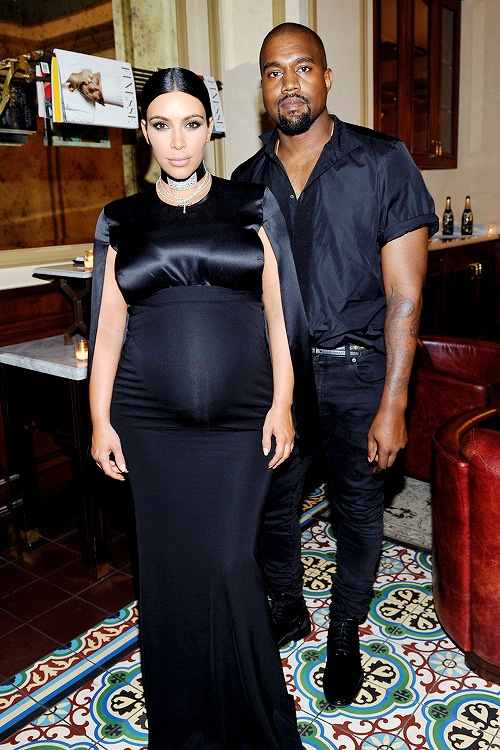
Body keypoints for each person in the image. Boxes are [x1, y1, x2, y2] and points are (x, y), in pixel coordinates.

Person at [89, 67, 313, 749]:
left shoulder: (253, 203)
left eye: (191, 124)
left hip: (241, 421)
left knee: (225, 563)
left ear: (211, 125)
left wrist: (283, 404)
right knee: (167, 574)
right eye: (162, 125)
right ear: (144, 130)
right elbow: (107, 329)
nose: (178, 142)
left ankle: (252, 719)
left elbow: (280, 315)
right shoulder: (120, 218)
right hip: (150, 426)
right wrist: (100, 419)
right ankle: (186, 726)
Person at [232, 23, 439, 708]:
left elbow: (405, 296)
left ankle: (344, 627)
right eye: (273, 72)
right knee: (271, 508)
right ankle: (287, 608)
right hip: (276, 381)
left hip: (355, 372)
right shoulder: (245, 181)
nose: (289, 83)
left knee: (358, 509)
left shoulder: (383, 161)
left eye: (302, 68)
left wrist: (394, 403)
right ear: (264, 89)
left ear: (325, 78)